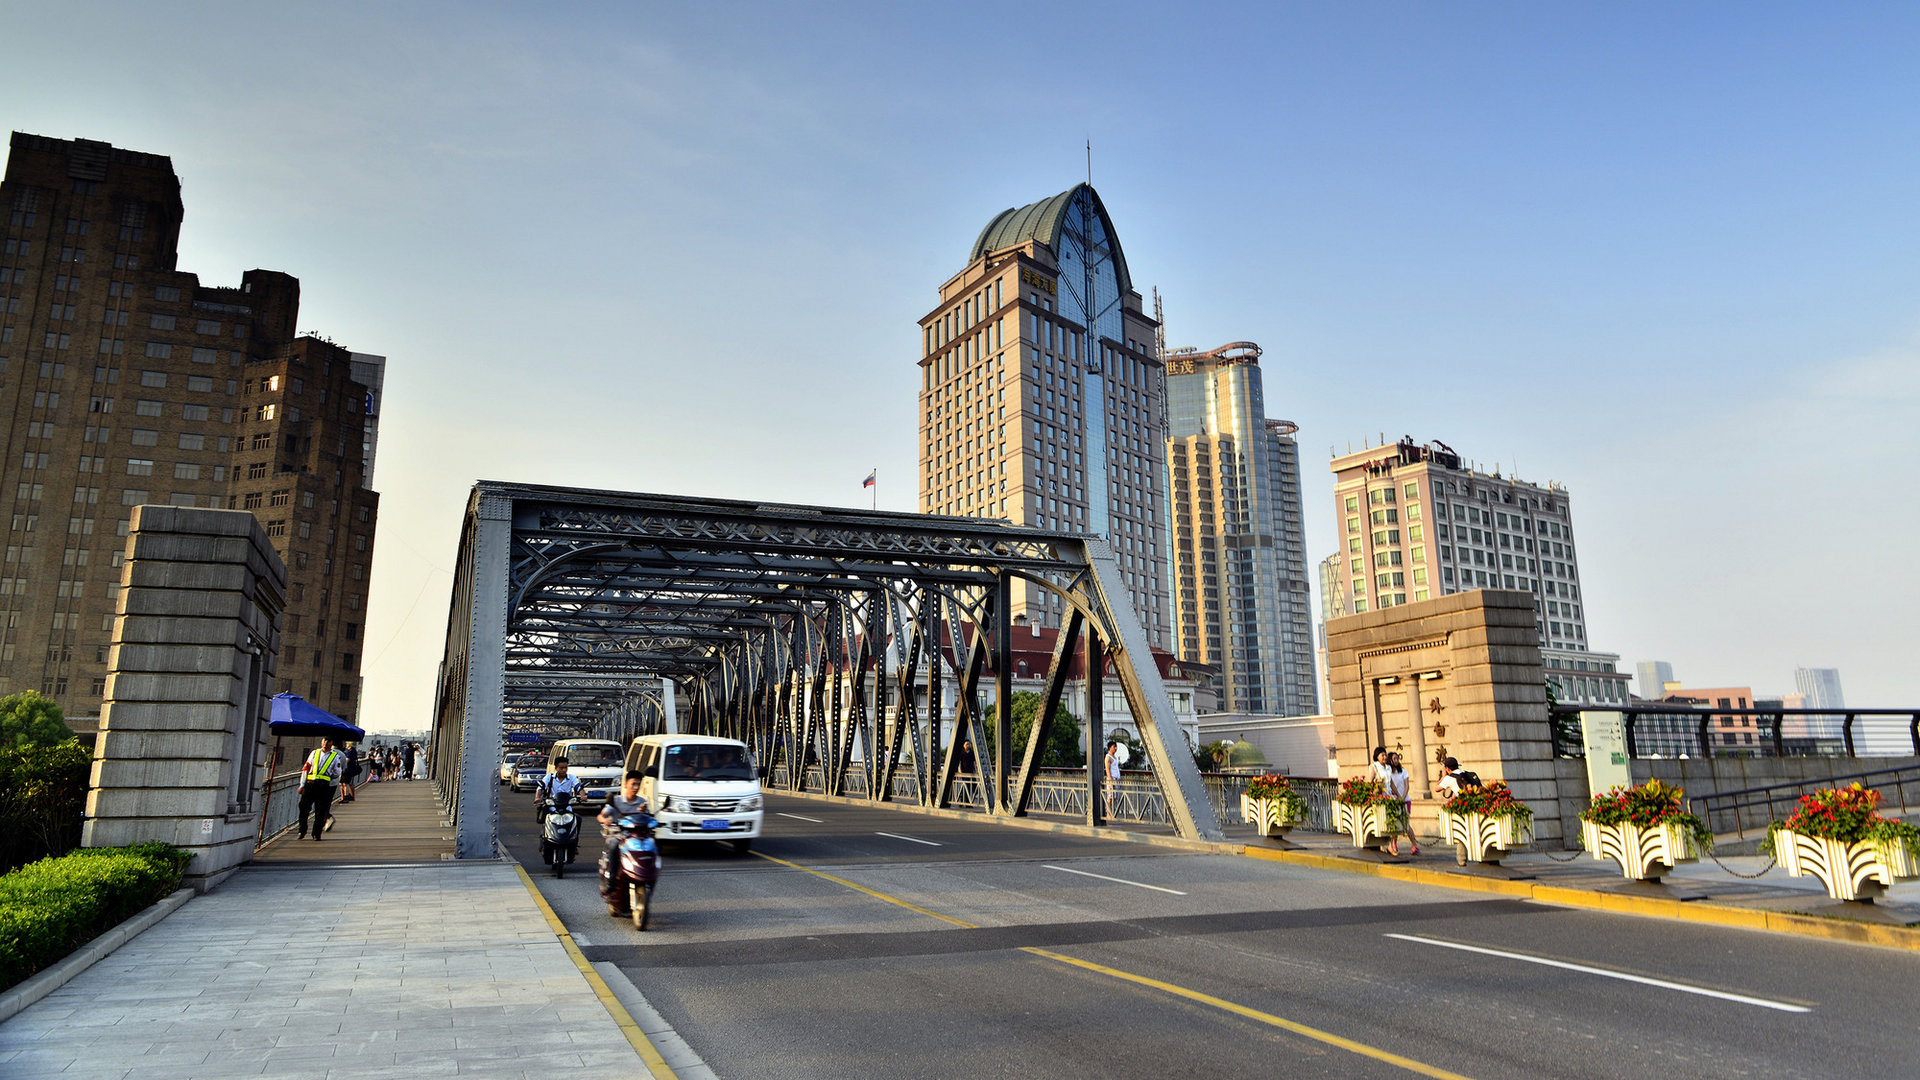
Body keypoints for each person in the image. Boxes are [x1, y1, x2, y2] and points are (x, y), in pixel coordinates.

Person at [297, 736, 345, 841]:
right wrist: (302, 785)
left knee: (320, 811)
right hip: (310, 784)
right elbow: (306, 768)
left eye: (328, 741)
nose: (326, 743)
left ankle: (316, 834)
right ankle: (302, 830)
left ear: (332, 743)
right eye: (324, 741)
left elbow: (337, 773)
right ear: (321, 742)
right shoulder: (314, 753)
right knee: (303, 807)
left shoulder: (335, 756)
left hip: (323, 786)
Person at [597, 769, 651, 862]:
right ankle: (612, 875)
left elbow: (648, 819)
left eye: (638, 784)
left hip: (635, 836)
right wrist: (605, 820)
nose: (636, 787)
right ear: (626, 785)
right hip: (618, 834)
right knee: (614, 844)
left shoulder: (642, 802)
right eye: (633, 784)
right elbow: (601, 816)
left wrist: (645, 813)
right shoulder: (616, 800)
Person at [1383, 751, 1419, 856]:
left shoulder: (1403, 771)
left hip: (1405, 800)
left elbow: (1407, 786)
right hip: (1393, 801)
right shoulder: (1388, 773)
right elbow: (1390, 787)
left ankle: (1414, 845)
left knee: (1406, 823)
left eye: (1397, 758)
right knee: (1394, 824)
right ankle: (1394, 845)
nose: (1396, 761)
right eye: (1394, 759)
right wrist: (1397, 797)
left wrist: (1402, 797)